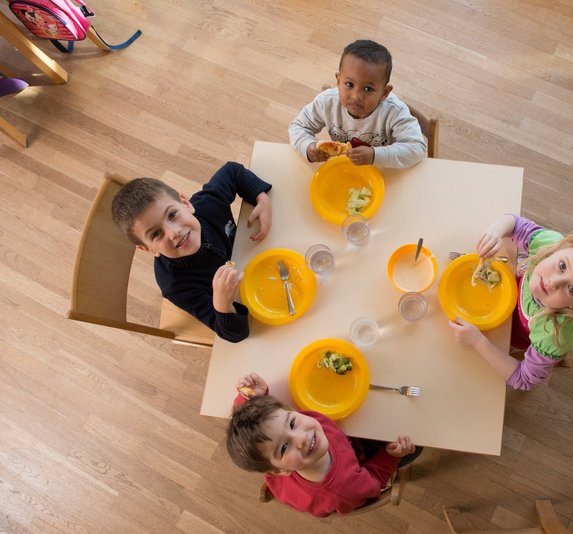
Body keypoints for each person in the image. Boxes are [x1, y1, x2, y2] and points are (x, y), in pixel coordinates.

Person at [449, 214, 573, 390]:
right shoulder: (550, 244)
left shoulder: (554, 334)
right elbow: (514, 222)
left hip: (511, 336)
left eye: (572, 290)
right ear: (563, 247)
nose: (552, 282)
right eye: (562, 266)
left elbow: (524, 380)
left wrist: (477, 341)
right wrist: (495, 233)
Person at [110, 162, 272, 343]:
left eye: (172, 215)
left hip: (257, 258)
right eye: (156, 234)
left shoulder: (208, 205)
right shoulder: (176, 285)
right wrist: (222, 304)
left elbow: (232, 171)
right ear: (148, 249)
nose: (174, 232)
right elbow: (235, 334)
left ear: (186, 204)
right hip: (246, 295)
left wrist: (261, 198)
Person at [226, 373, 420, 517]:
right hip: (358, 464)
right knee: (416, 448)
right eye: (284, 448)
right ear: (278, 472)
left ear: (290, 410)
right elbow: (375, 481)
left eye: (292, 423)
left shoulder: (278, 443)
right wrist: (390, 456)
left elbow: (252, 424)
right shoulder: (345, 488)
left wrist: (252, 397)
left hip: (346, 443)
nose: (301, 438)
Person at [288, 39, 427, 169]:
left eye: (368, 89)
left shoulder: (394, 112)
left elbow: (417, 148)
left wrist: (374, 155)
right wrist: (308, 147)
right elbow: (298, 126)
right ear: (338, 80)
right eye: (349, 84)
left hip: (383, 167)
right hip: (344, 169)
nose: (356, 96)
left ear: (384, 93)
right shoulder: (327, 102)